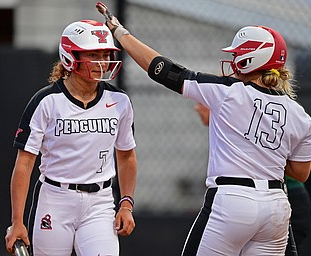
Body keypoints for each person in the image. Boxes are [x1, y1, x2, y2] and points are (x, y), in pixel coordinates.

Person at [96, 2, 311, 255]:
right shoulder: (299, 114)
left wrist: (121, 33)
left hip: (232, 200)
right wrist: (264, 151)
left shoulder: (229, 92)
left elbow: (163, 71)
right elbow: (300, 173)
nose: (232, 60)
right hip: (276, 208)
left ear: (250, 58)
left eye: (237, 55)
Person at [5, 19, 137, 256]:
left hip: (101, 202)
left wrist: (126, 203)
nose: (102, 62)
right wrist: (17, 221)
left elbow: (126, 156)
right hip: (55, 199)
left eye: (105, 54)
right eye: (92, 55)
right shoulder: (46, 102)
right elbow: (24, 165)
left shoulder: (120, 102)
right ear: (69, 57)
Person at [194, 102, 311, 255]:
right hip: (267, 204)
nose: (196, 108)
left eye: (201, 103)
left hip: (287, 197)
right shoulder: (229, 129)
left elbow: (301, 174)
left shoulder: (241, 120)